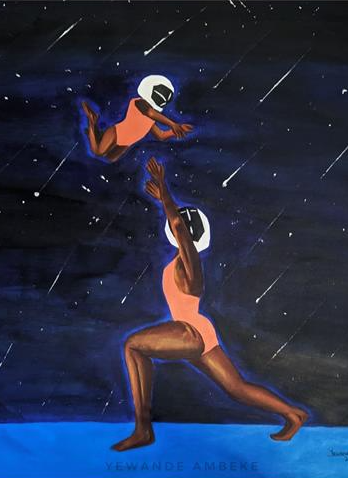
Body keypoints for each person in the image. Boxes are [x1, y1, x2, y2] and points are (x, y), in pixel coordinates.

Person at [111, 157, 309, 452]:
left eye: (181, 228)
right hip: (199, 330)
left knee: (132, 346)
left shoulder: (189, 262)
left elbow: (178, 226)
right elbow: (179, 228)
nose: (176, 228)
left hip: (188, 331)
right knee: (236, 388)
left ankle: (143, 430)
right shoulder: (182, 261)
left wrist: (165, 194)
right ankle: (294, 414)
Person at [81, 75, 193, 163]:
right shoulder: (138, 102)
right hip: (116, 133)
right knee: (98, 152)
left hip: (126, 143)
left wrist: (175, 131)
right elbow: (149, 112)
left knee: (110, 158)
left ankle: (97, 133)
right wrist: (172, 124)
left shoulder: (151, 119)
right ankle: (92, 121)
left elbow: (161, 135)